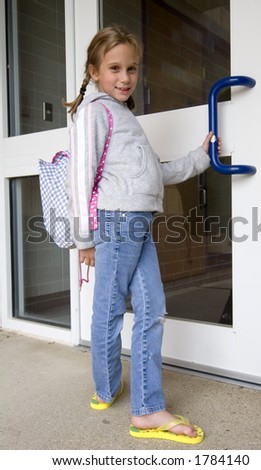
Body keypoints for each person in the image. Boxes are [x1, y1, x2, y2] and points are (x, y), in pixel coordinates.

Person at [64, 25, 221, 444]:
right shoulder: (93, 111)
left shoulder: (122, 115)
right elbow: (79, 177)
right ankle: (112, 389)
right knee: (111, 310)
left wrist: (200, 158)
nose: (125, 77)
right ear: (94, 70)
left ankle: (143, 403)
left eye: (131, 68)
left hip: (136, 222)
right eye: (115, 67)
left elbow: (156, 172)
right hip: (115, 223)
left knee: (152, 308)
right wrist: (84, 238)